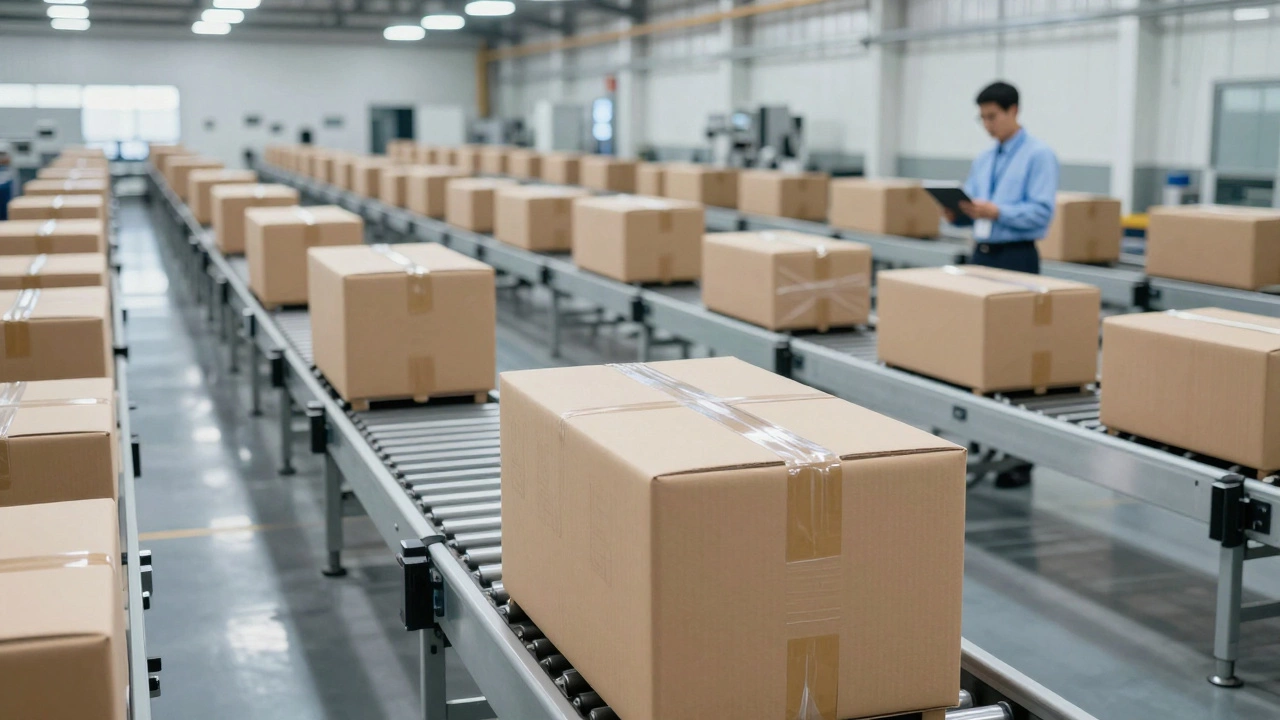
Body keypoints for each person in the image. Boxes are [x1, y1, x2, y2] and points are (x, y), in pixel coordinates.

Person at [945, 81, 1059, 274]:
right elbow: (974, 206)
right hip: (981, 254)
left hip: (1016, 256)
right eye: (982, 118)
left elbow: (1041, 214)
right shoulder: (984, 158)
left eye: (992, 117)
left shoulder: (1038, 155)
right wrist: (957, 214)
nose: (987, 125)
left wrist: (998, 212)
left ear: (1013, 111)